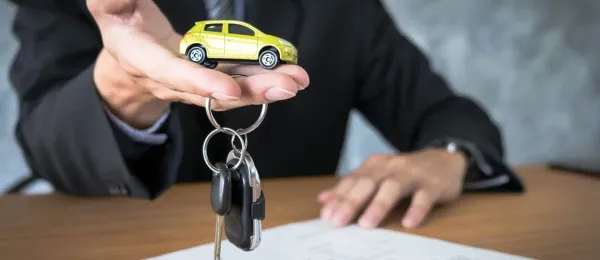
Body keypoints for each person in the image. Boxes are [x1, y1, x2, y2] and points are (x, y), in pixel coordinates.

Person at [8, 0, 523, 230]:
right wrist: (125, 85)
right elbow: (43, 136)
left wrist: (449, 156)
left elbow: (448, 112)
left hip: (303, 232)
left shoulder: (345, 8)